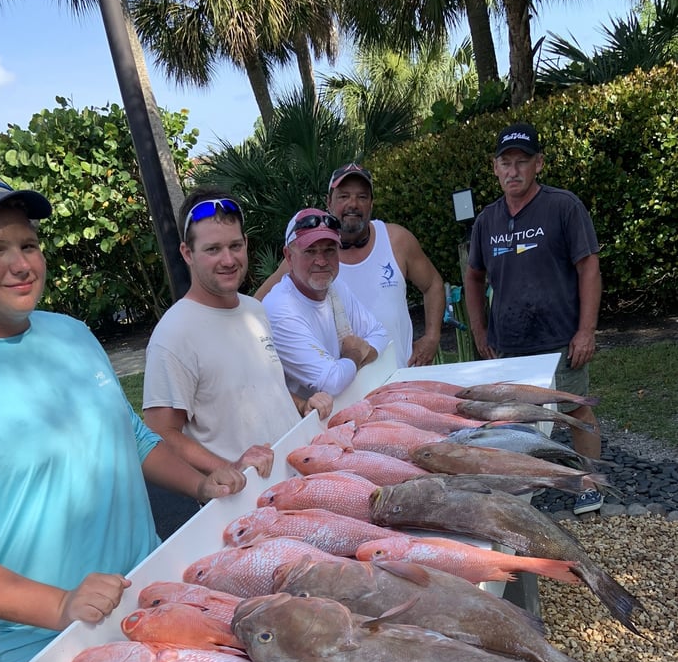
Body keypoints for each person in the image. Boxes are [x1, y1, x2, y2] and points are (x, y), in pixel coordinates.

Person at [0, 164, 240, 662]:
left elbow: (133, 438)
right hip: (46, 652)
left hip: (151, 597)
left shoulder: (71, 334)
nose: (21, 264)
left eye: (28, 245)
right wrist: (61, 605)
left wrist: (202, 484)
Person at [142, 188, 333, 481]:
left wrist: (302, 405)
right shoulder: (174, 334)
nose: (228, 260)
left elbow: (267, 388)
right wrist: (228, 466)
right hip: (244, 505)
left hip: (296, 478)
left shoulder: (255, 310)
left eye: (235, 245)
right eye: (213, 249)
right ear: (187, 253)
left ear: (246, 243)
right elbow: (159, 432)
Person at [463, 123, 604, 515]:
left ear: (538, 164)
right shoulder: (487, 221)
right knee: (515, 420)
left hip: (560, 340)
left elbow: (588, 267)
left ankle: (591, 482)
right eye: (505, 163)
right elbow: (473, 277)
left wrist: (586, 331)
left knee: (575, 411)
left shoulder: (563, 207)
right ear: (494, 168)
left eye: (522, 162)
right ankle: (528, 483)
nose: (513, 171)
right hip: (509, 345)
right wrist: (479, 330)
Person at [256, 163, 445, 369]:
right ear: (329, 202)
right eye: (344, 196)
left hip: (400, 381)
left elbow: (433, 284)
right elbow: (256, 307)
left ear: (371, 203)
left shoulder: (396, 240)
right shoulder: (304, 257)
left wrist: (432, 337)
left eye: (362, 197)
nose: (353, 204)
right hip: (342, 391)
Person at [261, 207, 389, 399]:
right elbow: (332, 382)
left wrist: (354, 360)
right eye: (310, 251)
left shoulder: (335, 286)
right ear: (288, 256)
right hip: (305, 424)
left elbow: (380, 334)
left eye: (329, 250)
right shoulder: (280, 309)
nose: (321, 261)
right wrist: (354, 353)